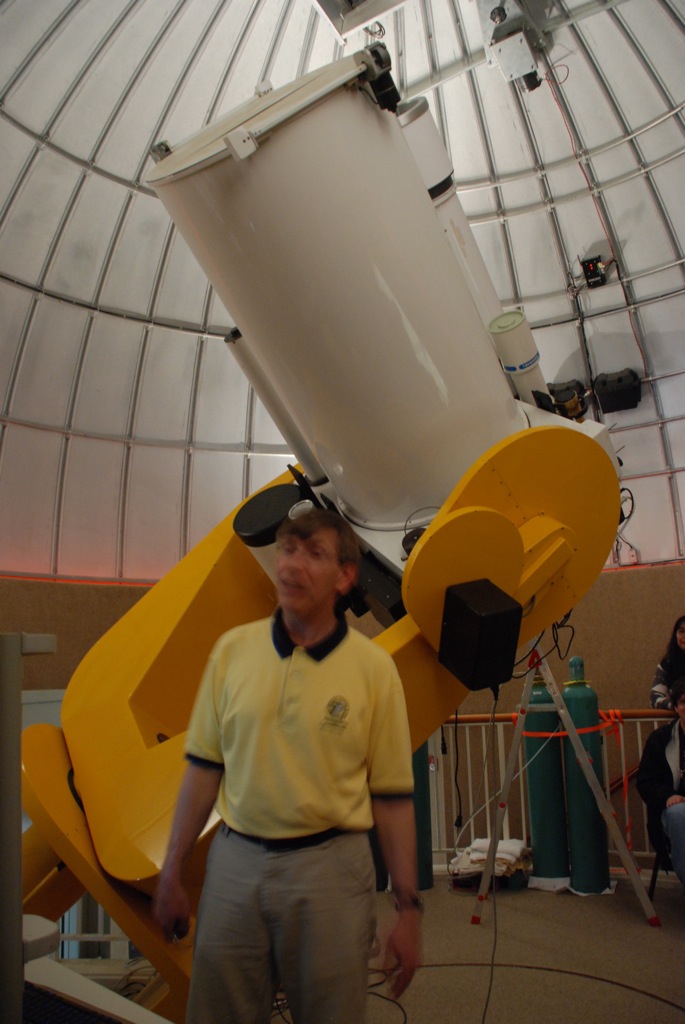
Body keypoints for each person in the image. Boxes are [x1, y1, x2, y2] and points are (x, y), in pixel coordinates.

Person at [153, 508, 421, 1023]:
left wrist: (408, 910)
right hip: (235, 868)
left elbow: (391, 798)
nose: (293, 565)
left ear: (345, 576)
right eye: (288, 550)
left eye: (314, 554)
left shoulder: (374, 670)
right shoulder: (231, 654)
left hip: (332, 873)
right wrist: (172, 872)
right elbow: (203, 770)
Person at [637, 675, 685, 897]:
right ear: (675, 707)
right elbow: (645, 782)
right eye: (683, 702)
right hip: (673, 813)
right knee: (679, 813)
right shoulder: (660, 739)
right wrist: (667, 796)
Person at [649, 615, 685, 710]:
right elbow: (654, 699)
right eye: (681, 631)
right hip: (679, 717)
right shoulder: (667, 664)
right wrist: (677, 705)